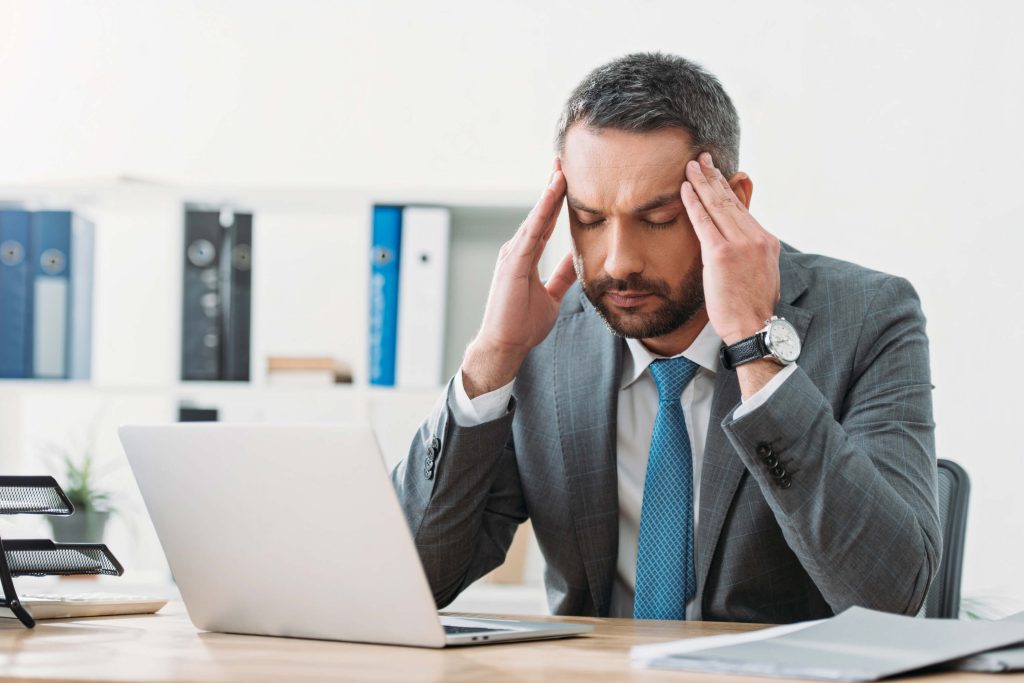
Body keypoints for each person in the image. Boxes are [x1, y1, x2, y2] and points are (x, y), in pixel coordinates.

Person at [392, 52, 939, 624]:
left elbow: (891, 596)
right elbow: (413, 582)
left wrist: (755, 345)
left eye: (657, 220)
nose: (619, 262)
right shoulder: (543, 336)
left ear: (734, 201)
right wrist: (491, 360)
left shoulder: (868, 317)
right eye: (589, 219)